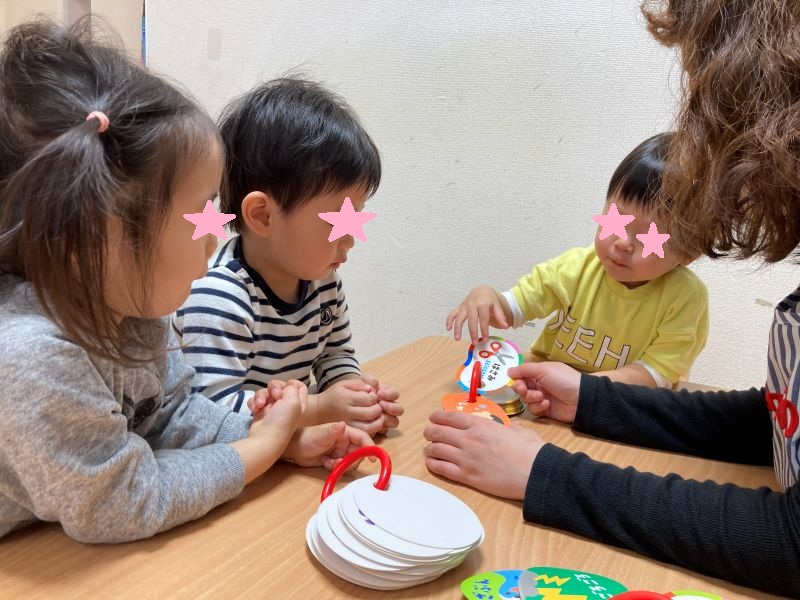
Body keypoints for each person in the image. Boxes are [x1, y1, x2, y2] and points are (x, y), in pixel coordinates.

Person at [424, 1, 800, 595]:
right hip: (546, 414)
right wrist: (589, 399)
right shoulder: (577, 267)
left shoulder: (683, 297)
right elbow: (775, 423)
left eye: (717, 106)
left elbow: (788, 541)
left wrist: (547, 472)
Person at [0, 19, 370, 543]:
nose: (216, 234)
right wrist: (261, 449)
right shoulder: (31, 355)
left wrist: (281, 439)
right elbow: (123, 501)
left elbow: (172, 413)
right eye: (198, 212)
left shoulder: (136, 312)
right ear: (88, 237)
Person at [174, 78, 402, 435]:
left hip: (285, 445)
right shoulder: (218, 296)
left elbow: (334, 354)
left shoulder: (322, 281)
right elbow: (210, 413)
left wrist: (354, 394)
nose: (350, 240)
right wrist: (319, 408)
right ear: (263, 216)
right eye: (336, 221)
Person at [446, 133, 708, 388]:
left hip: (622, 405)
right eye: (618, 219)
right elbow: (512, 311)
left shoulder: (685, 297)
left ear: (688, 252)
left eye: (649, 234)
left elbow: (655, 374)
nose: (623, 243)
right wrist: (486, 298)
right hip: (547, 393)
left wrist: (584, 389)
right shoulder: (576, 268)